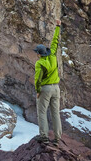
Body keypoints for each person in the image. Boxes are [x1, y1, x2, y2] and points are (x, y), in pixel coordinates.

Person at [34, 19, 62, 147]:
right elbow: (55, 41)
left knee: (42, 112)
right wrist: (58, 26)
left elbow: (37, 80)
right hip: (56, 88)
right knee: (55, 113)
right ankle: (57, 138)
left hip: (45, 89)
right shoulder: (53, 56)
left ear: (39, 54)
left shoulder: (40, 63)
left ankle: (44, 137)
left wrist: (38, 91)